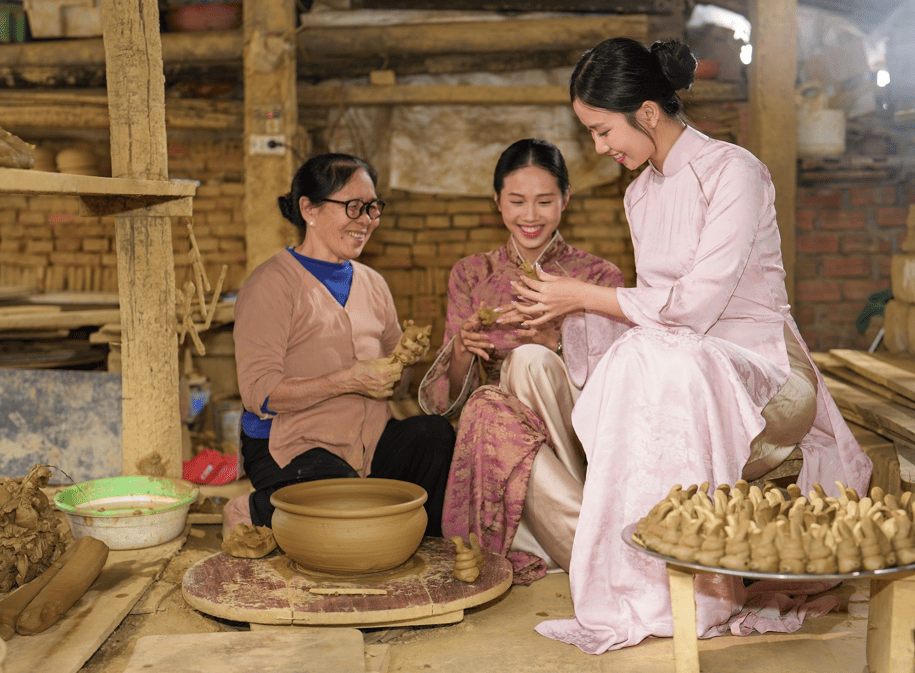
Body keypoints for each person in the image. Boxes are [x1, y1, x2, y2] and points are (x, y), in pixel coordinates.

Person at [508, 38, 873, 653]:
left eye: (601, 131)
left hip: (765, 368)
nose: (599, 148)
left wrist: (585, 297)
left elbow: (695, 307)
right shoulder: (639, 194)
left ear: (647, 113)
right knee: (638, 358)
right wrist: (566, 317)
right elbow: (658, 314)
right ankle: (640, 588)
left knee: (657, 359)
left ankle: (697, 588)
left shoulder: (735, 172)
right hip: (682, 357)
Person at [418, 139, 626, 583]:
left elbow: (619, 387)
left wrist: (557, 344)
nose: (530, 216)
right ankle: (589, 539)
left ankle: (570, 536)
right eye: (516, 201)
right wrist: (461, 350)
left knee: (529, 361)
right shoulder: (471, 275)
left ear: (566, 199)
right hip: (496, 439)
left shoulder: (598, 279)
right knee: (492, 403)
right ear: (496, 202)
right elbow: (446, 404)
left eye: (544, 201)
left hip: (578, 439)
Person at [226, 153, 455, 538]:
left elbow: (397, 387)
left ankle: (421, 549)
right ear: (309, 209)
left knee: (434, 436)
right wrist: (348, 380)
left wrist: (403, 363)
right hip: (293, 445)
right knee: (349, 514)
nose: (366, 219)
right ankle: (254, 510)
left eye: (372, 208)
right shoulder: (271, 284)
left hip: (367, 439)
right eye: (353, 207)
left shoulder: (374, 284)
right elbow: (258, 393)